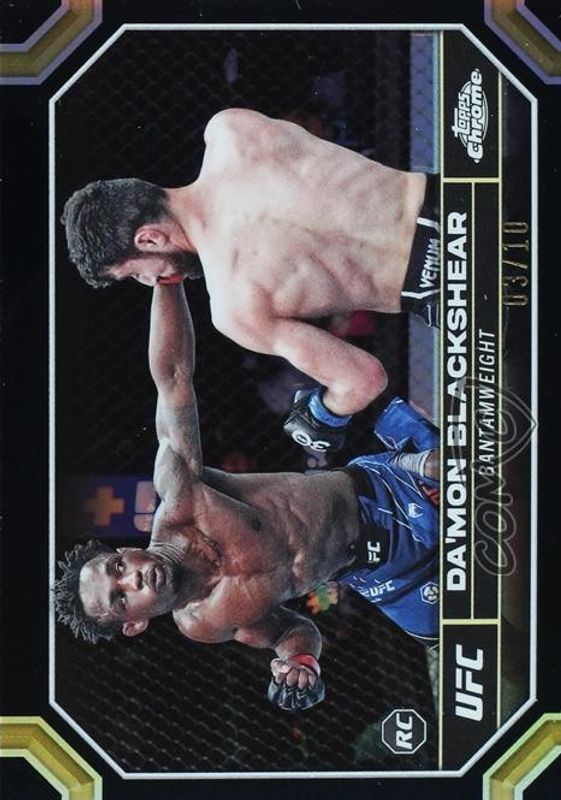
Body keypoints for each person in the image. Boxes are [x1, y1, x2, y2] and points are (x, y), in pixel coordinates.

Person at [55, 283, 439, 711]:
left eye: (118, 567)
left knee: (476, 481)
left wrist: (167, 281)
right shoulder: (205, 624)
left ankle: (421, 461)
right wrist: (300, 661)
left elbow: (173, 379)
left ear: (125, 551)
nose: (134, 579)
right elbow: (290, 631)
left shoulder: (183, 499)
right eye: (121, 597)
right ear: (134, 624)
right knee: (469, 638)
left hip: (387, 492)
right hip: (381, 576)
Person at [61, 108, 440, 452]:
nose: (150, 281)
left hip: (447, 288)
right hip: (454, 197)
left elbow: (362, 381)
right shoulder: (230, 131)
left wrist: (321, 415)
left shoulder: (234, 307)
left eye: (135, 274)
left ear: (149, 239)